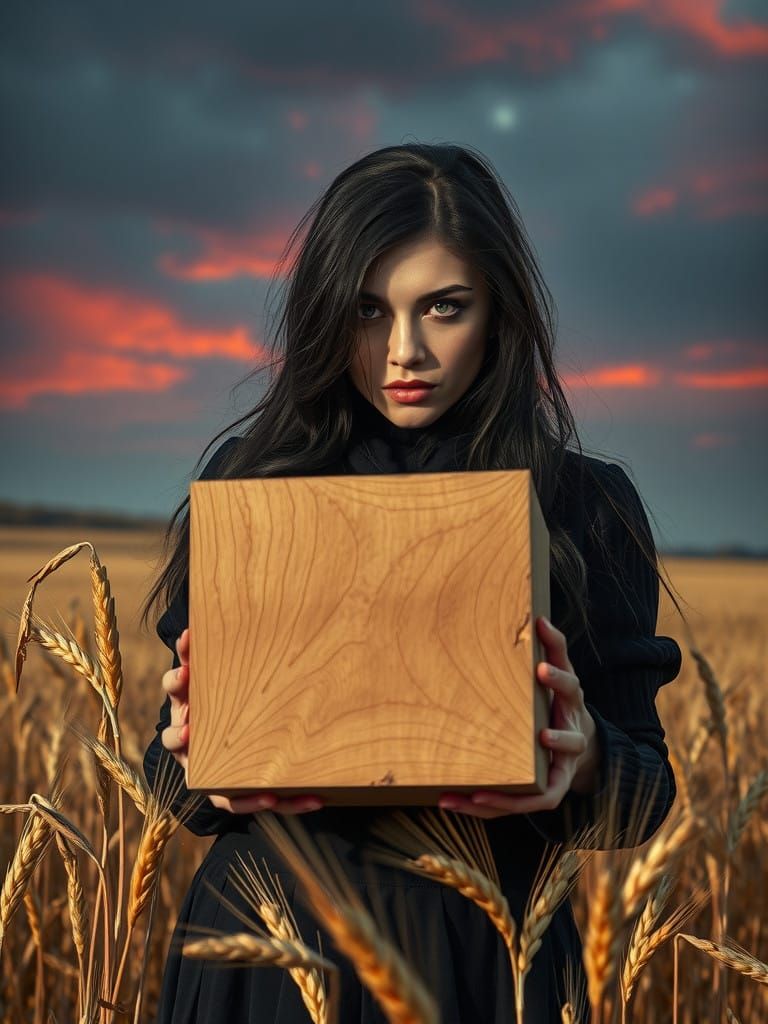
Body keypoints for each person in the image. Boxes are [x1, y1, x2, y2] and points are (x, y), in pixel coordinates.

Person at [140, 142, 684, 1023]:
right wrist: (190, 745)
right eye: (367, 310)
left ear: (498, 312)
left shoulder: (583, 503)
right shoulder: (254, 482)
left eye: (444, 308)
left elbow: (644, 793)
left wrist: (582, 757)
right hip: (267, 954)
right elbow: (174, 786)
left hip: (483, 955)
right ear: (325, 314)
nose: (405, 351)